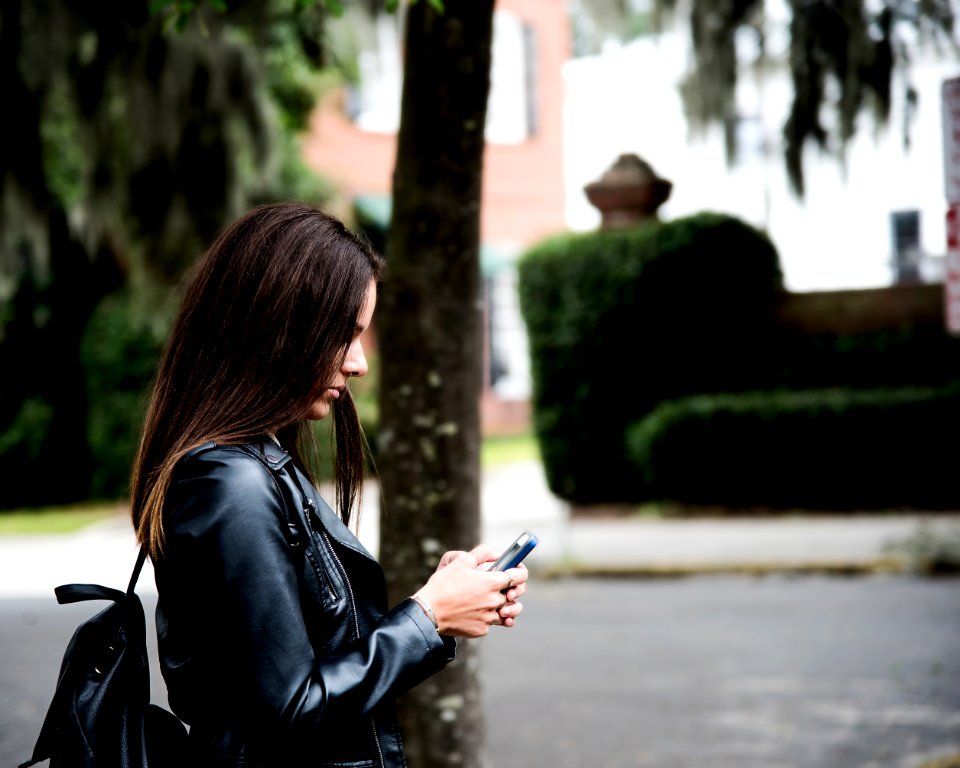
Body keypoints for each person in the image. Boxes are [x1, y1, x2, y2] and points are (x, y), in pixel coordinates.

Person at [130, 200, 528, 767]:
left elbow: (309, 662)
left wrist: (442, 600)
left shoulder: (252, 464)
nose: (360, 362)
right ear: (278, 324)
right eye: (346, 334)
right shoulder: (229, 483)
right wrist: (428, 617)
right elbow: (293, 710)